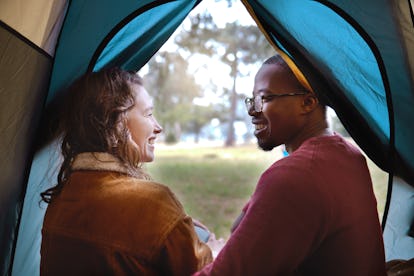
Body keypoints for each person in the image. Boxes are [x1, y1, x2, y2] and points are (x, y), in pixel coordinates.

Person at [195, 55, 386, 275]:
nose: (252, 111)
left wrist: (210, 252)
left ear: (308, 102)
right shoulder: (347, 154)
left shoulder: (298, 174)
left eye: (264, 98)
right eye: (252, 100)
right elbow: (241, 228)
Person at [40, 68, 212, 275]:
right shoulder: (154, 203)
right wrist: (215, 251)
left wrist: (173, 226)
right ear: (115, 123)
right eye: (148, 114)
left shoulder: (61, 198)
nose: (158, 127)